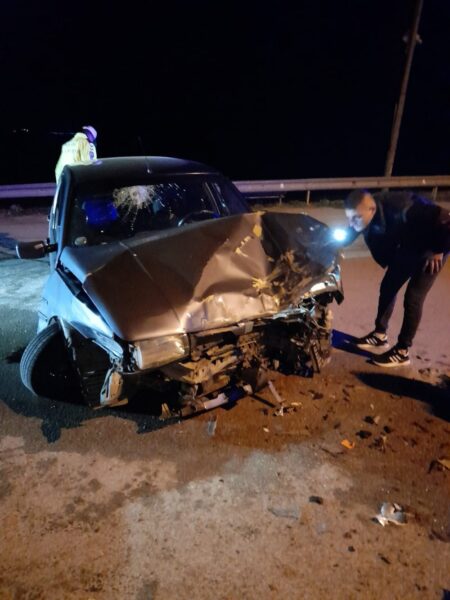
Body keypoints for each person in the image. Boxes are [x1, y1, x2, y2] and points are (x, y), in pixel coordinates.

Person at [343, 189, 450, 367]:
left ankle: (402, 351)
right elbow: (349, 233)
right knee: (388, 286)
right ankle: (379, 335)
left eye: (356, 218)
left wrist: (439, 249)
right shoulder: (364, 214)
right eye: (349, 218)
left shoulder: (402, 205)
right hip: (409, 246)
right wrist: (328, 245)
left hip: (432, 247)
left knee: (413, 298)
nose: (351, 223)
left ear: (371, 210)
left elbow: (445, 219)